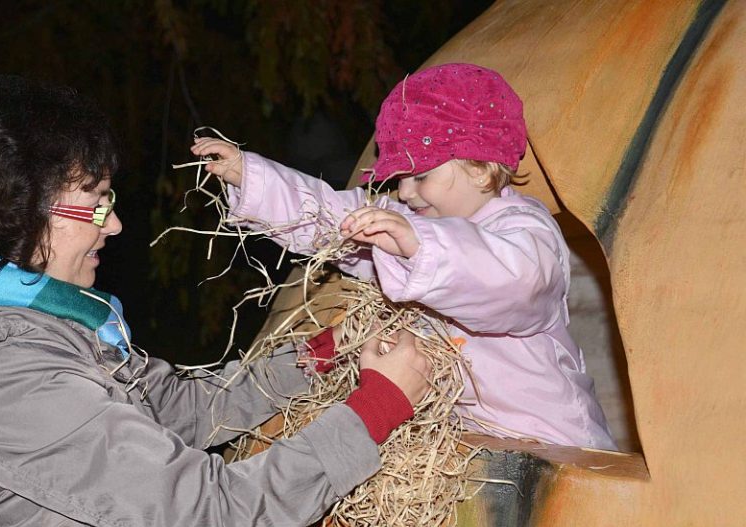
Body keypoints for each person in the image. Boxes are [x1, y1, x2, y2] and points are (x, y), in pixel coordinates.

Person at [0, 75, 435, 527]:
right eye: (96, 205)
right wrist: (376, 409)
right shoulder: (12, 373)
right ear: (24, 212)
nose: (115, 225)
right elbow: (214, 512)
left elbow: (175, 409)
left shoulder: (40, 323)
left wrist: (315, 357)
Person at [191, 63, 616, 450]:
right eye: (399, 178)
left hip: (552, 443)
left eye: (422, 175)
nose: (406, 192)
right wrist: (253, 177)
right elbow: (334, 215)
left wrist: (418, 244)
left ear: (481, 168)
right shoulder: (410, 219)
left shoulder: (525, 229)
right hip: (466, 443)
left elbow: (516, 286)